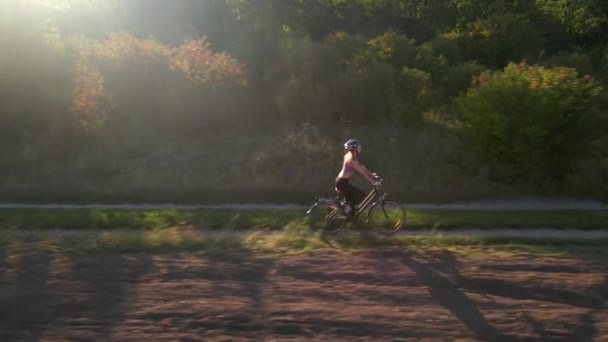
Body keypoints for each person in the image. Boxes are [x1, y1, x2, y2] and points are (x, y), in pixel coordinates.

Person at [335, 139, 379, 215]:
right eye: (358, 147)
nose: (360, 149)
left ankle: (349, 216)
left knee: (352, 201)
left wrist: (371, 174)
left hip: (341, 181)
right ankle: (345, 213)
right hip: (342, 183)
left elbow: (361, 166)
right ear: (354, 149)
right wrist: (373, 182)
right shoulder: (350, 160)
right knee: (360, 195)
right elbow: (362, 173)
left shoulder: (351, 156)